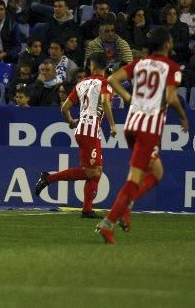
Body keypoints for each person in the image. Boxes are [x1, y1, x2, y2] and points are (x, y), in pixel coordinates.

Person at [96, 28, 189, 244]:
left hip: (132, 124)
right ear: (167, 44)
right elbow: (171, 97)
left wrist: (129, 97)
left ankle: (126, 205)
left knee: (156, 171)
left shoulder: (141, 62)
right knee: (134, 179)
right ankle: (108, 222)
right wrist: (183, 117)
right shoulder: (172, 67)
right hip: (148, 129)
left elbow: (112, 79)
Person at [35, 51, 116, 218]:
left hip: (84, 129)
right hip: (90, 130)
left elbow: (64, 108)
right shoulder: (105, 83)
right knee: (92, 172)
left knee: (96, 171)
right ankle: (49, 178)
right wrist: (113, 125)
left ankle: (87, 210)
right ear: (105, 66)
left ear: (92, 65)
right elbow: (105, 102)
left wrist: (71, 121)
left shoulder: (81, 84)